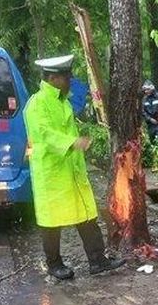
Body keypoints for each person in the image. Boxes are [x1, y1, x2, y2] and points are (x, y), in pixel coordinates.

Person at [24, 54, 125, 280]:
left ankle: (97, 260)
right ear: (52, 78)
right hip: (51, 174)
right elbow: (44, 134)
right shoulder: (37, 103)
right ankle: (54, 264)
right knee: (51, 221)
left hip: (72, 171)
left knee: (86, 214)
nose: (69, 80)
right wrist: (72, 143)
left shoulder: (63, 101)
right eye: (65, 76)